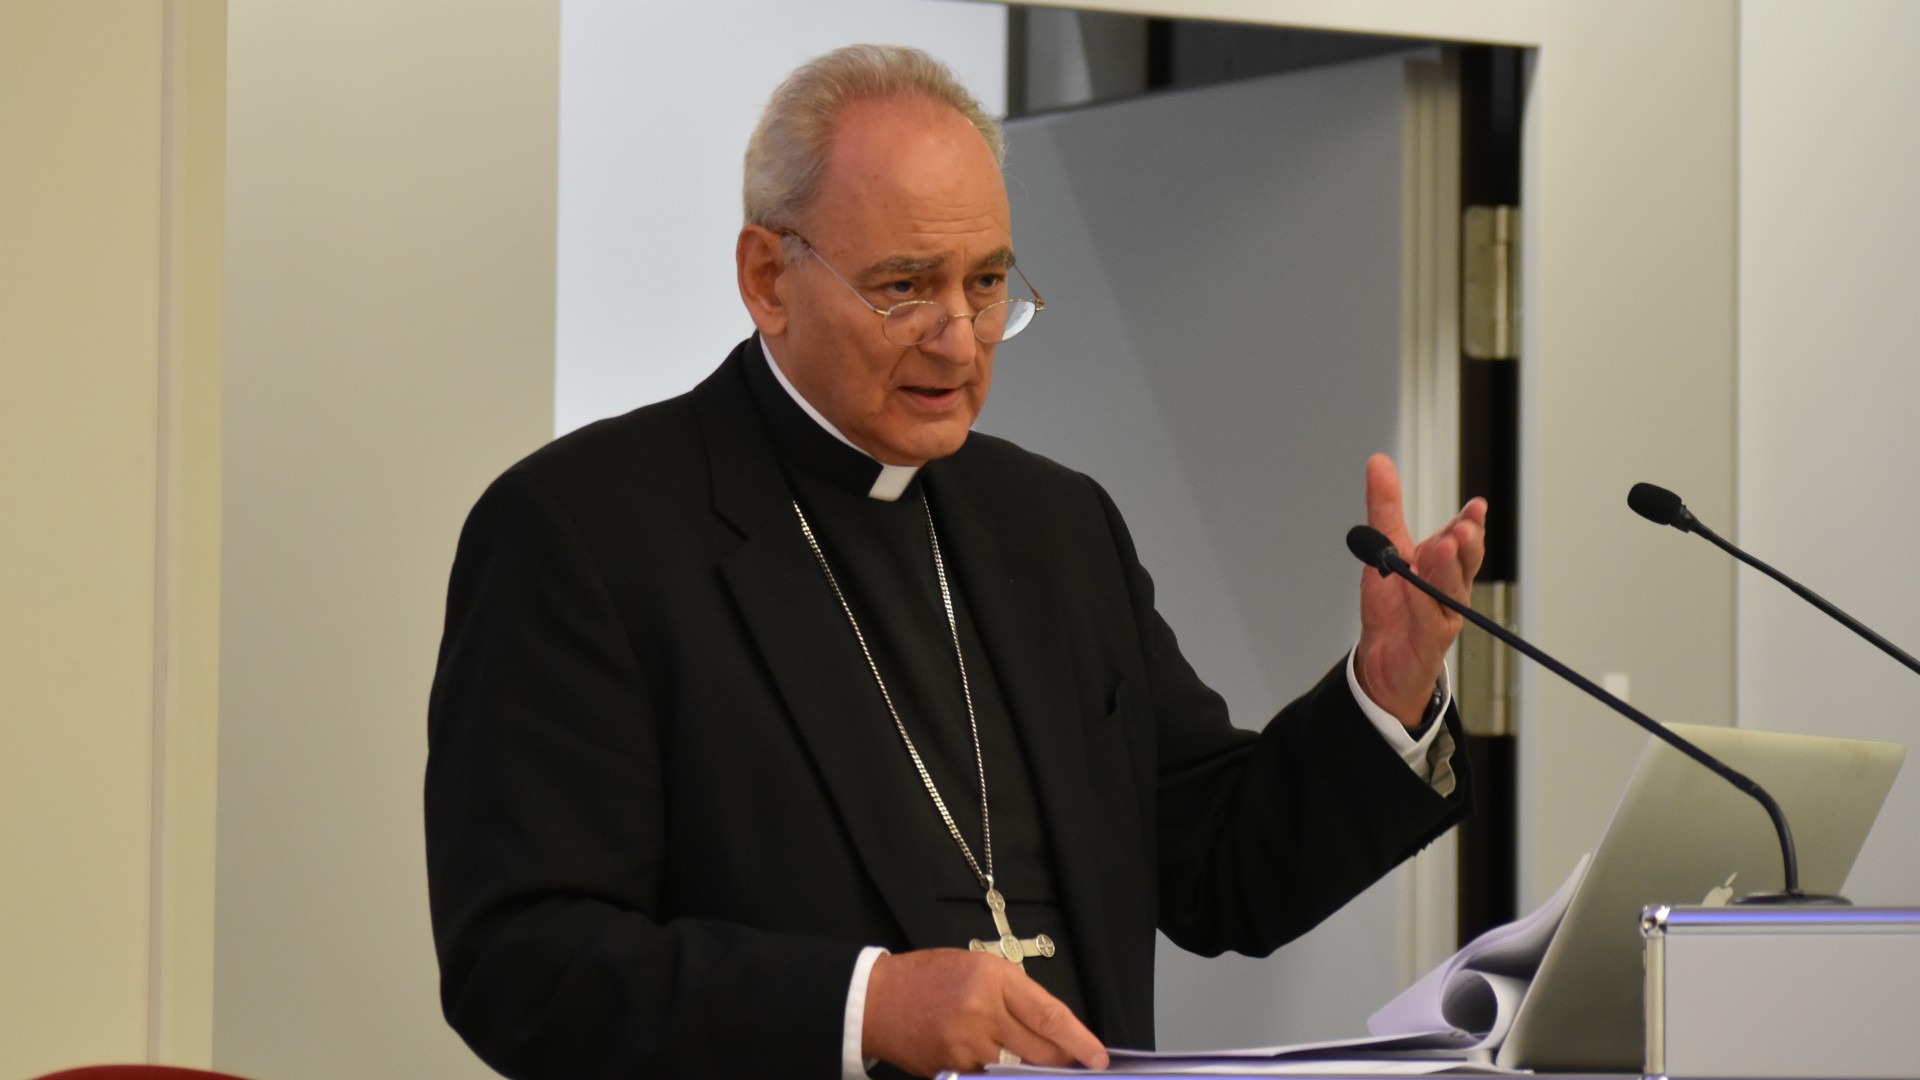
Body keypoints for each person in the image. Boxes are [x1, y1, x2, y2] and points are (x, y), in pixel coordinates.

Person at [425, 44, 1486, 1080]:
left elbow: (1216, 871)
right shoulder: (584, 531)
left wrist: (1383, 703)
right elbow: (522, 966)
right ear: (767, 277)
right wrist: (864, 1007)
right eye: (903, 287)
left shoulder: (1056, 526)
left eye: (985, 283)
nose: (959, 340)